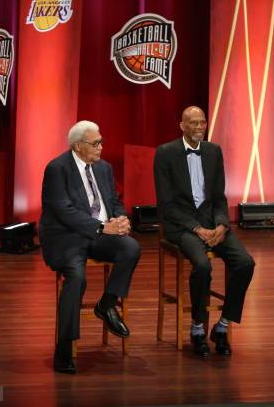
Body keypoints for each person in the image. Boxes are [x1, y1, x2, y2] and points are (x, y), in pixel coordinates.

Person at [39, 120, 141, 374]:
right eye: (95, 143)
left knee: (130, 248)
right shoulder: (57, 168)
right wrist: (100, 227)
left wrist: (120, 219)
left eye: (101, 141)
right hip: (67, 236)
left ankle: (106, 304)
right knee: (77, 278)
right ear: (77, 146)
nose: (101, 147)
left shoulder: (104, 168)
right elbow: (64, 211)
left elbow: (113, 201)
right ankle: (64, 347)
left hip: (99, 234)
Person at [153, 106, 254, 357]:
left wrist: (221, 224)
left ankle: (222, 326)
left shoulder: (213, 151)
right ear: (182, 126)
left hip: (212, 223)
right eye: (194, 123)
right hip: (182, 226)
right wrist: (196, 228)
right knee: (202, 267)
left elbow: (219, 197)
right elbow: (166, 205)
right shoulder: (165, 153)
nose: (199, 127)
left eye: (202, 123)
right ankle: (197, 328)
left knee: (245, 263)